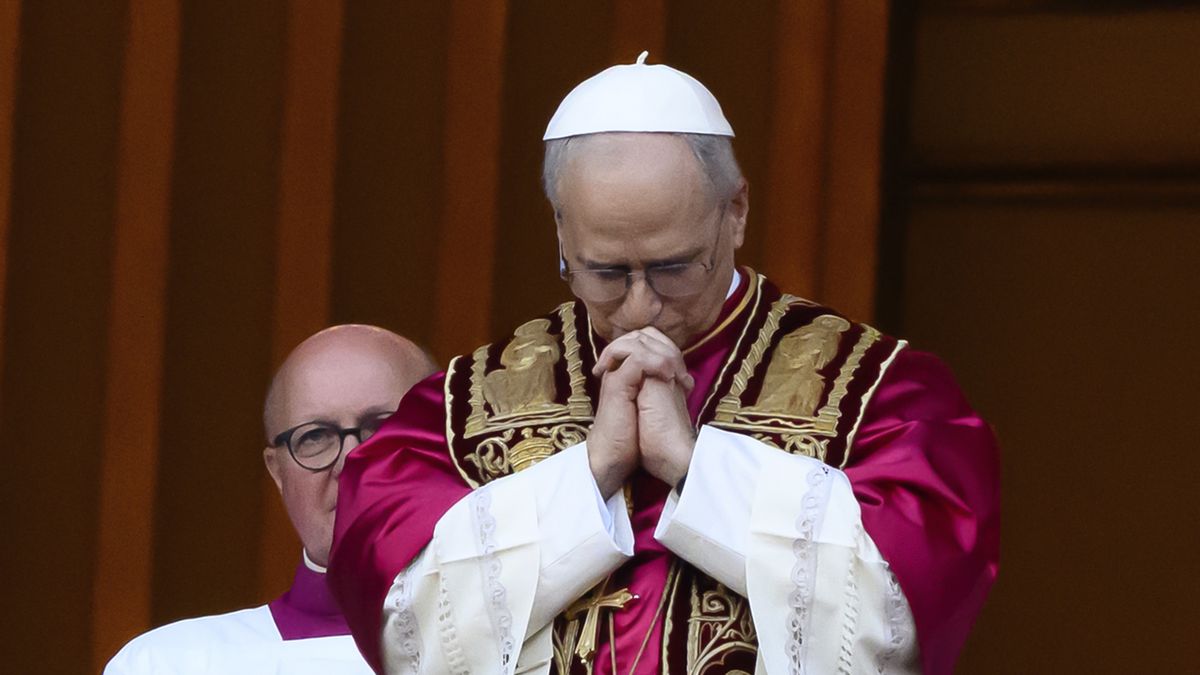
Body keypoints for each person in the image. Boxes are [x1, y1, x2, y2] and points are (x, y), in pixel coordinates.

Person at [330, 53, 999, 675]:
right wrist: (590, 474)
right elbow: (405, 629)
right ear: (562, 230)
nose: (642, 306)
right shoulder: (462, 406)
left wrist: (698, 469)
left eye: (675, 267)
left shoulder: (877, 391)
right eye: (607, 272)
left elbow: (896, 619)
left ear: (734, 212)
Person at [105, 325, 437, 675]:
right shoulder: (169, 663)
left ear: (444, 447)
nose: (351, 462)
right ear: (278, 472)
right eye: (316, 436)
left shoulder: (498, 649)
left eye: (383, 426)